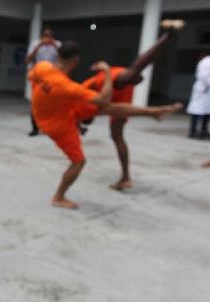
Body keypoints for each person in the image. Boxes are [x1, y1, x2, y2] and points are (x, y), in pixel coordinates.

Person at [29, 41, 182, 209]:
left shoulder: (42, 67)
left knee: (106, 109)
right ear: (76, 61)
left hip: (57, 109)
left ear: (58, 56)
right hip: (57, 123)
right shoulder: (68, 87)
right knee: (78, 161)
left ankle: (154, 112)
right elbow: (103, 97)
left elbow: (33, 78)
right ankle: (58, 197)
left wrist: (46, 95)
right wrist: (108, 72)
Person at [82, 21, 182, 191]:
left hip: (115, 84)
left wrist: (80, 125)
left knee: (134, 72)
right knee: (117, 136)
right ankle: (126, 177)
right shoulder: (94, 105)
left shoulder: (87, 100)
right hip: (116, 89)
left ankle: (169, 36)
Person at [26, 28, 61, 137]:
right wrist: (39, 46)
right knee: (36, 102)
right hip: (38, 75)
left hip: (53, 75)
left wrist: (54, 46)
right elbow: (28, 59)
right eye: (45, 36)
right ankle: (35, 128)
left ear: (52, 37)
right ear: (41, 36)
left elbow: (64, 59)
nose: (47, 38)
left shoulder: (58, 44)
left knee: (51, 102)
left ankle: (49, 127)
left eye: (49, 36)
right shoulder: (35, 44)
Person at [187, 47, 210, 139]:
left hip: (209, 90)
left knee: (208, 110)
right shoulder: (207, 62)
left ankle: (203, 130)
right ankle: (193, 131)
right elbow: (204, 76)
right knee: (197, 110)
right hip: (204, 89)